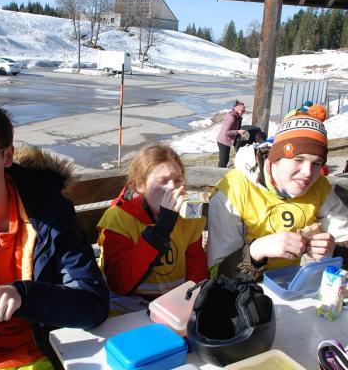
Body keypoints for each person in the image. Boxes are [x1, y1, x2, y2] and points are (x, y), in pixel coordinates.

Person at [0, 100, 109, 370]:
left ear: (7, 156)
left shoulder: (51, 215)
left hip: (41, 352)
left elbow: (92, 304)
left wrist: (25, 297)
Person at [207, 105, 348, 280]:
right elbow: (217, 274)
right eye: (298, 159)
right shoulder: (232, 192)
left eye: (316, 163)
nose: (307, 172)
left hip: (295, 291)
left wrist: (333, 249)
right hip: (245, 298)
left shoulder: (319, 186)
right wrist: (256, 251)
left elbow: (344, 237)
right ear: (274, 158)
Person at [97, 144, 208, 313]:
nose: (173, 187)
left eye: (178, 180)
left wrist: (193, 303)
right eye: (163, 181)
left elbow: (196, 271)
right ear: (140, 186)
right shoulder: (119, 219)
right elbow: (119, 283)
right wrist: (161, 230)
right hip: (128, 306)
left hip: (174, 303)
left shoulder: (189, 218)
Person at [216, 100, 249, 168]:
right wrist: (238, 132)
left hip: (228, 140)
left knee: (225, 159)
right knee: (223, 160)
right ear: (237, 110)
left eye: (244, 111)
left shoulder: (237, 116)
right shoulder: (232, 118)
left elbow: (237, 127)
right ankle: (219, 174)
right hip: (223, 141)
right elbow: (226, 132)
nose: (243, 113)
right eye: (242, 111)